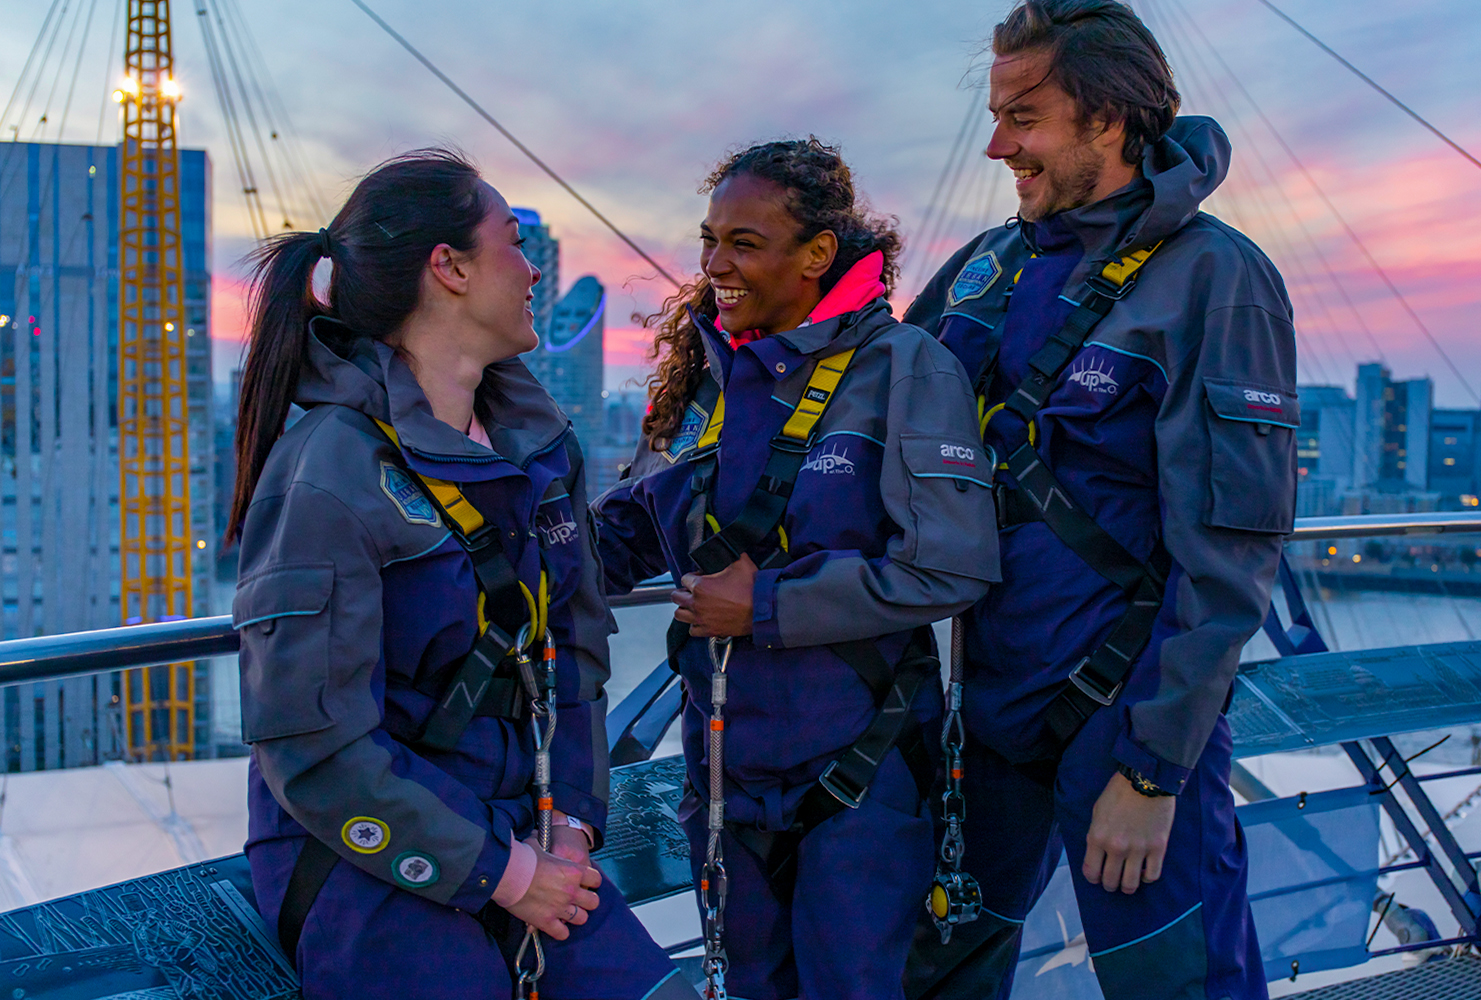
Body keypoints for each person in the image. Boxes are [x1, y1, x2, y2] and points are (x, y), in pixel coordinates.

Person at [229, 149, 696, 1000]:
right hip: (366, 853)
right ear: (448, 268)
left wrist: (574, 827)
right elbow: (313, 745)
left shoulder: (537, 446)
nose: (530, 270)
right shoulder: (331, 469)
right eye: (512, 243)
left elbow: (578, 655)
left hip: (530, 830)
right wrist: (503, 873)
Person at [901, 3, 1296, 999]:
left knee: (1175, 985)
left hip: (1122, 727)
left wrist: (1154, 770)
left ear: (1109, 117)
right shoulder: (982, 272)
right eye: (997, 116)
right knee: (937, 978)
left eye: (1024, 116)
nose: (998, 146)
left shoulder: (1215, 279)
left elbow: (1232, 551)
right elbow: (863, 416)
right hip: (983, 723)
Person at [593, 138, 1001, 1000]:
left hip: (860, 774)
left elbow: (952, 571)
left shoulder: (904, 370)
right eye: (708, 241)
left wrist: (766, 606)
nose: (714, 265)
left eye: (743, 242)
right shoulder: (704, 379)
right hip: (724, 782)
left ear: (819, 253)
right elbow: (629, 532)